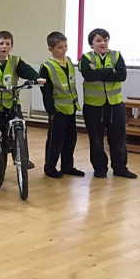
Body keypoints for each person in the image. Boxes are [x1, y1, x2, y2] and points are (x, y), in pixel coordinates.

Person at [0, 30, 45, 168]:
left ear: (11, 46)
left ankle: (21, 159)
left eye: (7, 44)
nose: (4, 46)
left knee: (20, 128)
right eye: (1, 43)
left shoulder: (15, 61)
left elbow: (27, 71)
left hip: (11, 103)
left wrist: (36, 78)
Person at [79, 28, 137, 179]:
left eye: (105, 40)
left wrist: (99, 71)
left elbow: (122, 75)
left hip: (115, 105)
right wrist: (110, 71)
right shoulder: (86, 58)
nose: (102, 43)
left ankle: (120, 168)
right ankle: (100, 169)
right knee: (96, 139)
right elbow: (89, 76)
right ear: (91, 44)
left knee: (118, 138)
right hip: (93, 106)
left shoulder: (116, 56)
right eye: (98, 41)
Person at [39, 32, 84, 178]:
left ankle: (67, 166)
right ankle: (50, 167)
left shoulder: (68, 61)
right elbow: (46, 92)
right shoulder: (47, 67)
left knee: (70, 139)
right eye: (59, 47)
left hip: (70, 107)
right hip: (57, 110)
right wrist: (51, 111)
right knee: (55, 140)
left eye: (65, 46)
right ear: (50, 49)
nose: (64, 50)